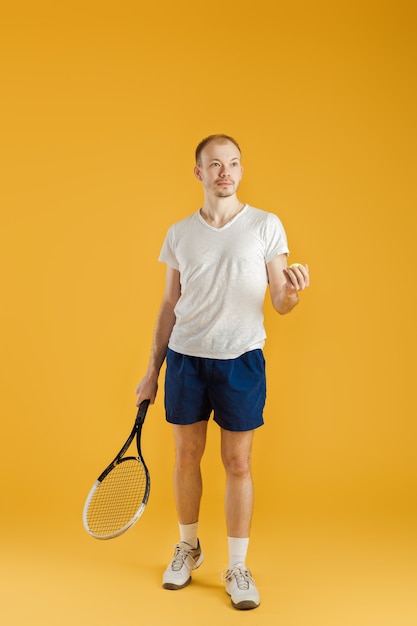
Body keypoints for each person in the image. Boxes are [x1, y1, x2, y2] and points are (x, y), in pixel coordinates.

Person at [135, 134, 309, 610]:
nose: (225, 172)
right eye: (215, 164)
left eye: (233, 163)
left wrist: (292, 294)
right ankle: (188, 549)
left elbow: (279, 300)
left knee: (238, 463)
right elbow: (170, 303)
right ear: (199, 172)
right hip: (186, 358)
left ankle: (237, 566)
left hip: (242, 359)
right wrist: (152, 370)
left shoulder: (266, 226)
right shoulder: (179, 233)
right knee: (186, 457)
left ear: (240, 170)